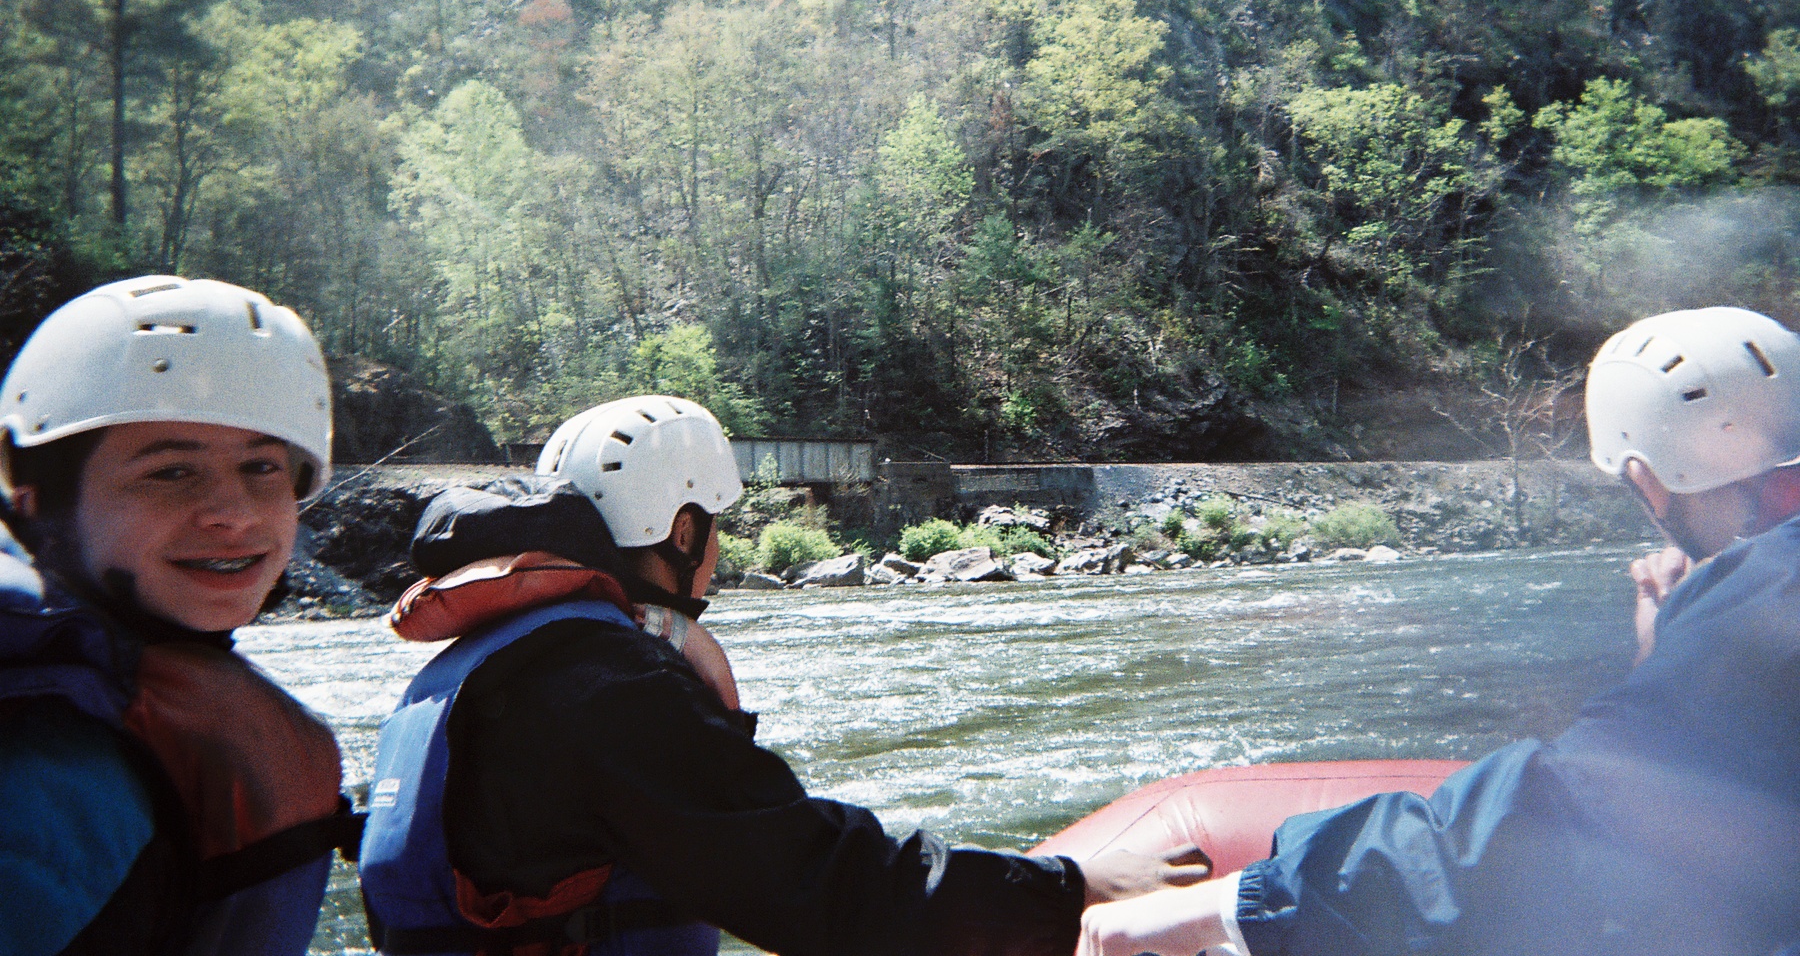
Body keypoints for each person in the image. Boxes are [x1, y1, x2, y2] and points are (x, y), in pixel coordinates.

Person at [360, 394, 1205, 956]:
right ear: (680, 530)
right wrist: (1067, 889)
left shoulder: (484, 662)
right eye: (714, 527)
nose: (717, 553)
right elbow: (817, 879)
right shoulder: (609, 687)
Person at [1076, 306, 1800, 956]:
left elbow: (1567, 812)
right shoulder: (1766, 585)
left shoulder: (1755, 618)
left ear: (1645, 478)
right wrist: (1673, 652)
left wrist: (1238, 904)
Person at [0, 275, 356, 956]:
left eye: (261, 466)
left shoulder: (115, 714)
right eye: (171, 472)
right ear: (37, 504)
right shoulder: (45, 772)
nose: (235, 513)